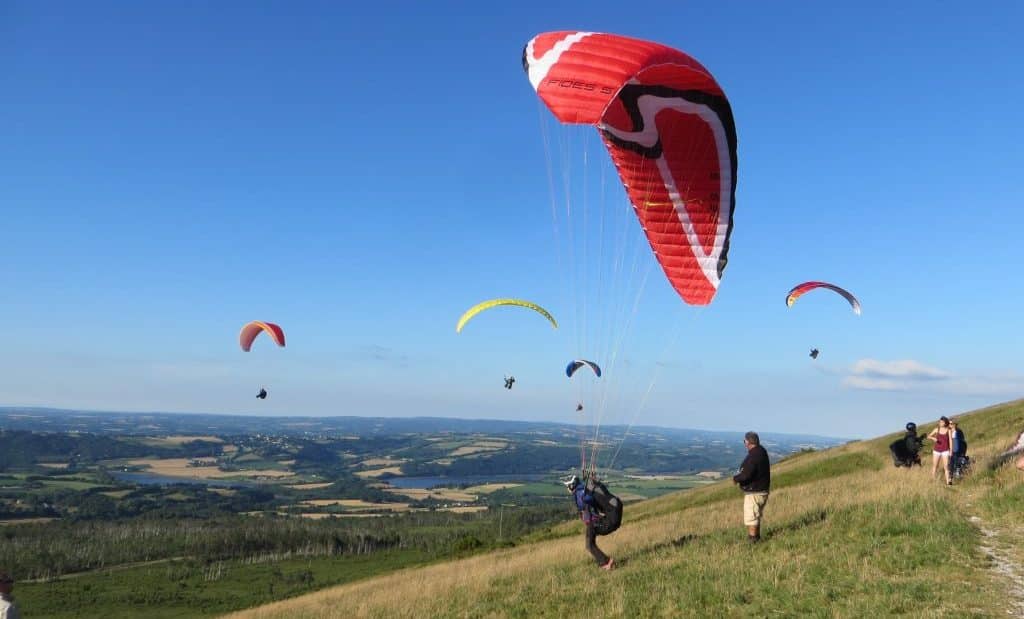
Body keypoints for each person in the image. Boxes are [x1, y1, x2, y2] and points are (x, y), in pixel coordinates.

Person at [564, 475, 614, 570]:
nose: (567, 489)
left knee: (589, 545)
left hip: (593, 520)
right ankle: (605, 561)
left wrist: (584, 502)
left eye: (568, 486)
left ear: (572, 485)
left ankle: (606, 562)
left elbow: (588, 501)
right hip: (593, 520)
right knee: (590, 544)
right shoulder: (582, 490)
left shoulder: (580, 493)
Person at [733, 431, 771, 543]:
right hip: (762, 490)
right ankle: (756, 538)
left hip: (755, 492)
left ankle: (753, 541)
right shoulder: (761, 451)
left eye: (744, 441)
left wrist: (736, 478)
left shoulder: (754, 455)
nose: (744, 443)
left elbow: (746, 474)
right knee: (756, 515)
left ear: (748, 442)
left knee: (752, 517)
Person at [927, 417, 953, 485]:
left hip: (945, 450)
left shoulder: (948, 430)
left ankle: (948, 482)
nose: (940, 423)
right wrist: (933, 438)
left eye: (942, 422)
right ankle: (932, 480)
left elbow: (950, 440)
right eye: (940, 422)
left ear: (945, 423)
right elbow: (928, 436)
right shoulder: (936, 429)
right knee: (935, 466)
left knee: (946, 466)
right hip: (936, 450)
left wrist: (951, 451)